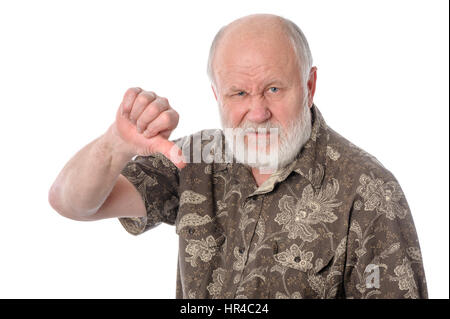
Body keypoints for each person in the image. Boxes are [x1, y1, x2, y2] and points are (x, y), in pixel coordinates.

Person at [48, 13, 428, 299]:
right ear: (217, 95)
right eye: (239, 94)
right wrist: (117, 143)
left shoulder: (368, 190)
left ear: (309, 86)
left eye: (274, 89)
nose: (258, 112)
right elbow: (72, 203)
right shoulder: (195, 157)